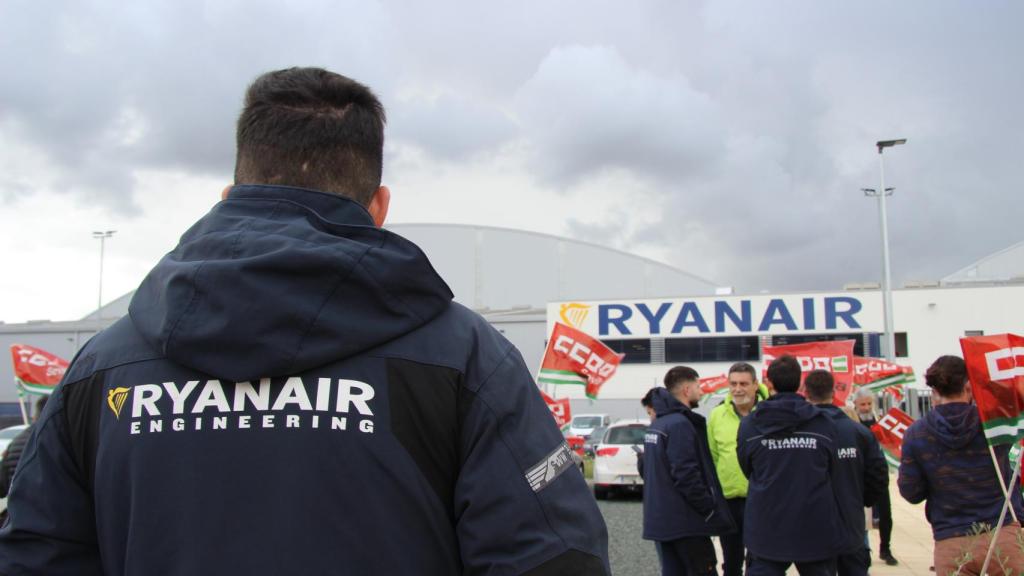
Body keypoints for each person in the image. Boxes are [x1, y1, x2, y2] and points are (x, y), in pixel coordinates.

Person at [0, 67, 610, 575]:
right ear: (379, 207)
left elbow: (37, 553)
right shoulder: (464, 355)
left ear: (228, 197)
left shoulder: (104, 366)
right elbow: (551, 558)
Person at [899, 355, 1024, 576]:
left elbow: (911, 492)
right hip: (1001, 532)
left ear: (935, 391)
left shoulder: (916, 434)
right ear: (969, 385)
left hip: (952, 538)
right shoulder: (992, 424)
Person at [737, 355, 843, 576]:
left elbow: (748, 468)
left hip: (767, 525)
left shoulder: (749, 426)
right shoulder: (823, 423)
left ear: (769, 383)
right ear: (800, 383)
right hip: (813, 524)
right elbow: (832, 467)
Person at [643, 366, 735, 576]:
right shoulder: (679, 425)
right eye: (698, 386)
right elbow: (686, 475)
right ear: (686, 389)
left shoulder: (658, 425)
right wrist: (709, 509)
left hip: (663, 523)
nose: (701, 391)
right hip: (686, 523)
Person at [805, 370, 888, 576]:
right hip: (851, 522)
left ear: (806, 393)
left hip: (814, 525)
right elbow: (879, 473)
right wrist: (860, 499)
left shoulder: (799, 433)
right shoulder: (858, 431)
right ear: (833, 392)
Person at [706, 361, 769, 576]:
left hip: (762, 499)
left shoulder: (769, 414)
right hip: (729, 500)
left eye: (743, 383)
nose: (737, 389)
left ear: (755, 385)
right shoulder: (717, 415)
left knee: (761, 558)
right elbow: (713, 457)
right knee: (731, 560)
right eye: (733, 383)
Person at [852, 387, 899, 565]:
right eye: (862, 404)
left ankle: (885, 549)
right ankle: (862, 551)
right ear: (855, 404)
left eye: (869, 403)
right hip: (859, 473)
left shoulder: (880, 421)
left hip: (877, 472)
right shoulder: (852, 421)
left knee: (886, 513)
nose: (866, 407)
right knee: (862, 516)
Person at [0, 397, 48, 525]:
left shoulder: (17, 441)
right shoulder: (58, 438)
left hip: (18, 519)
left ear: (35, 416)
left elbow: (2, 486)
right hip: (50, 521)